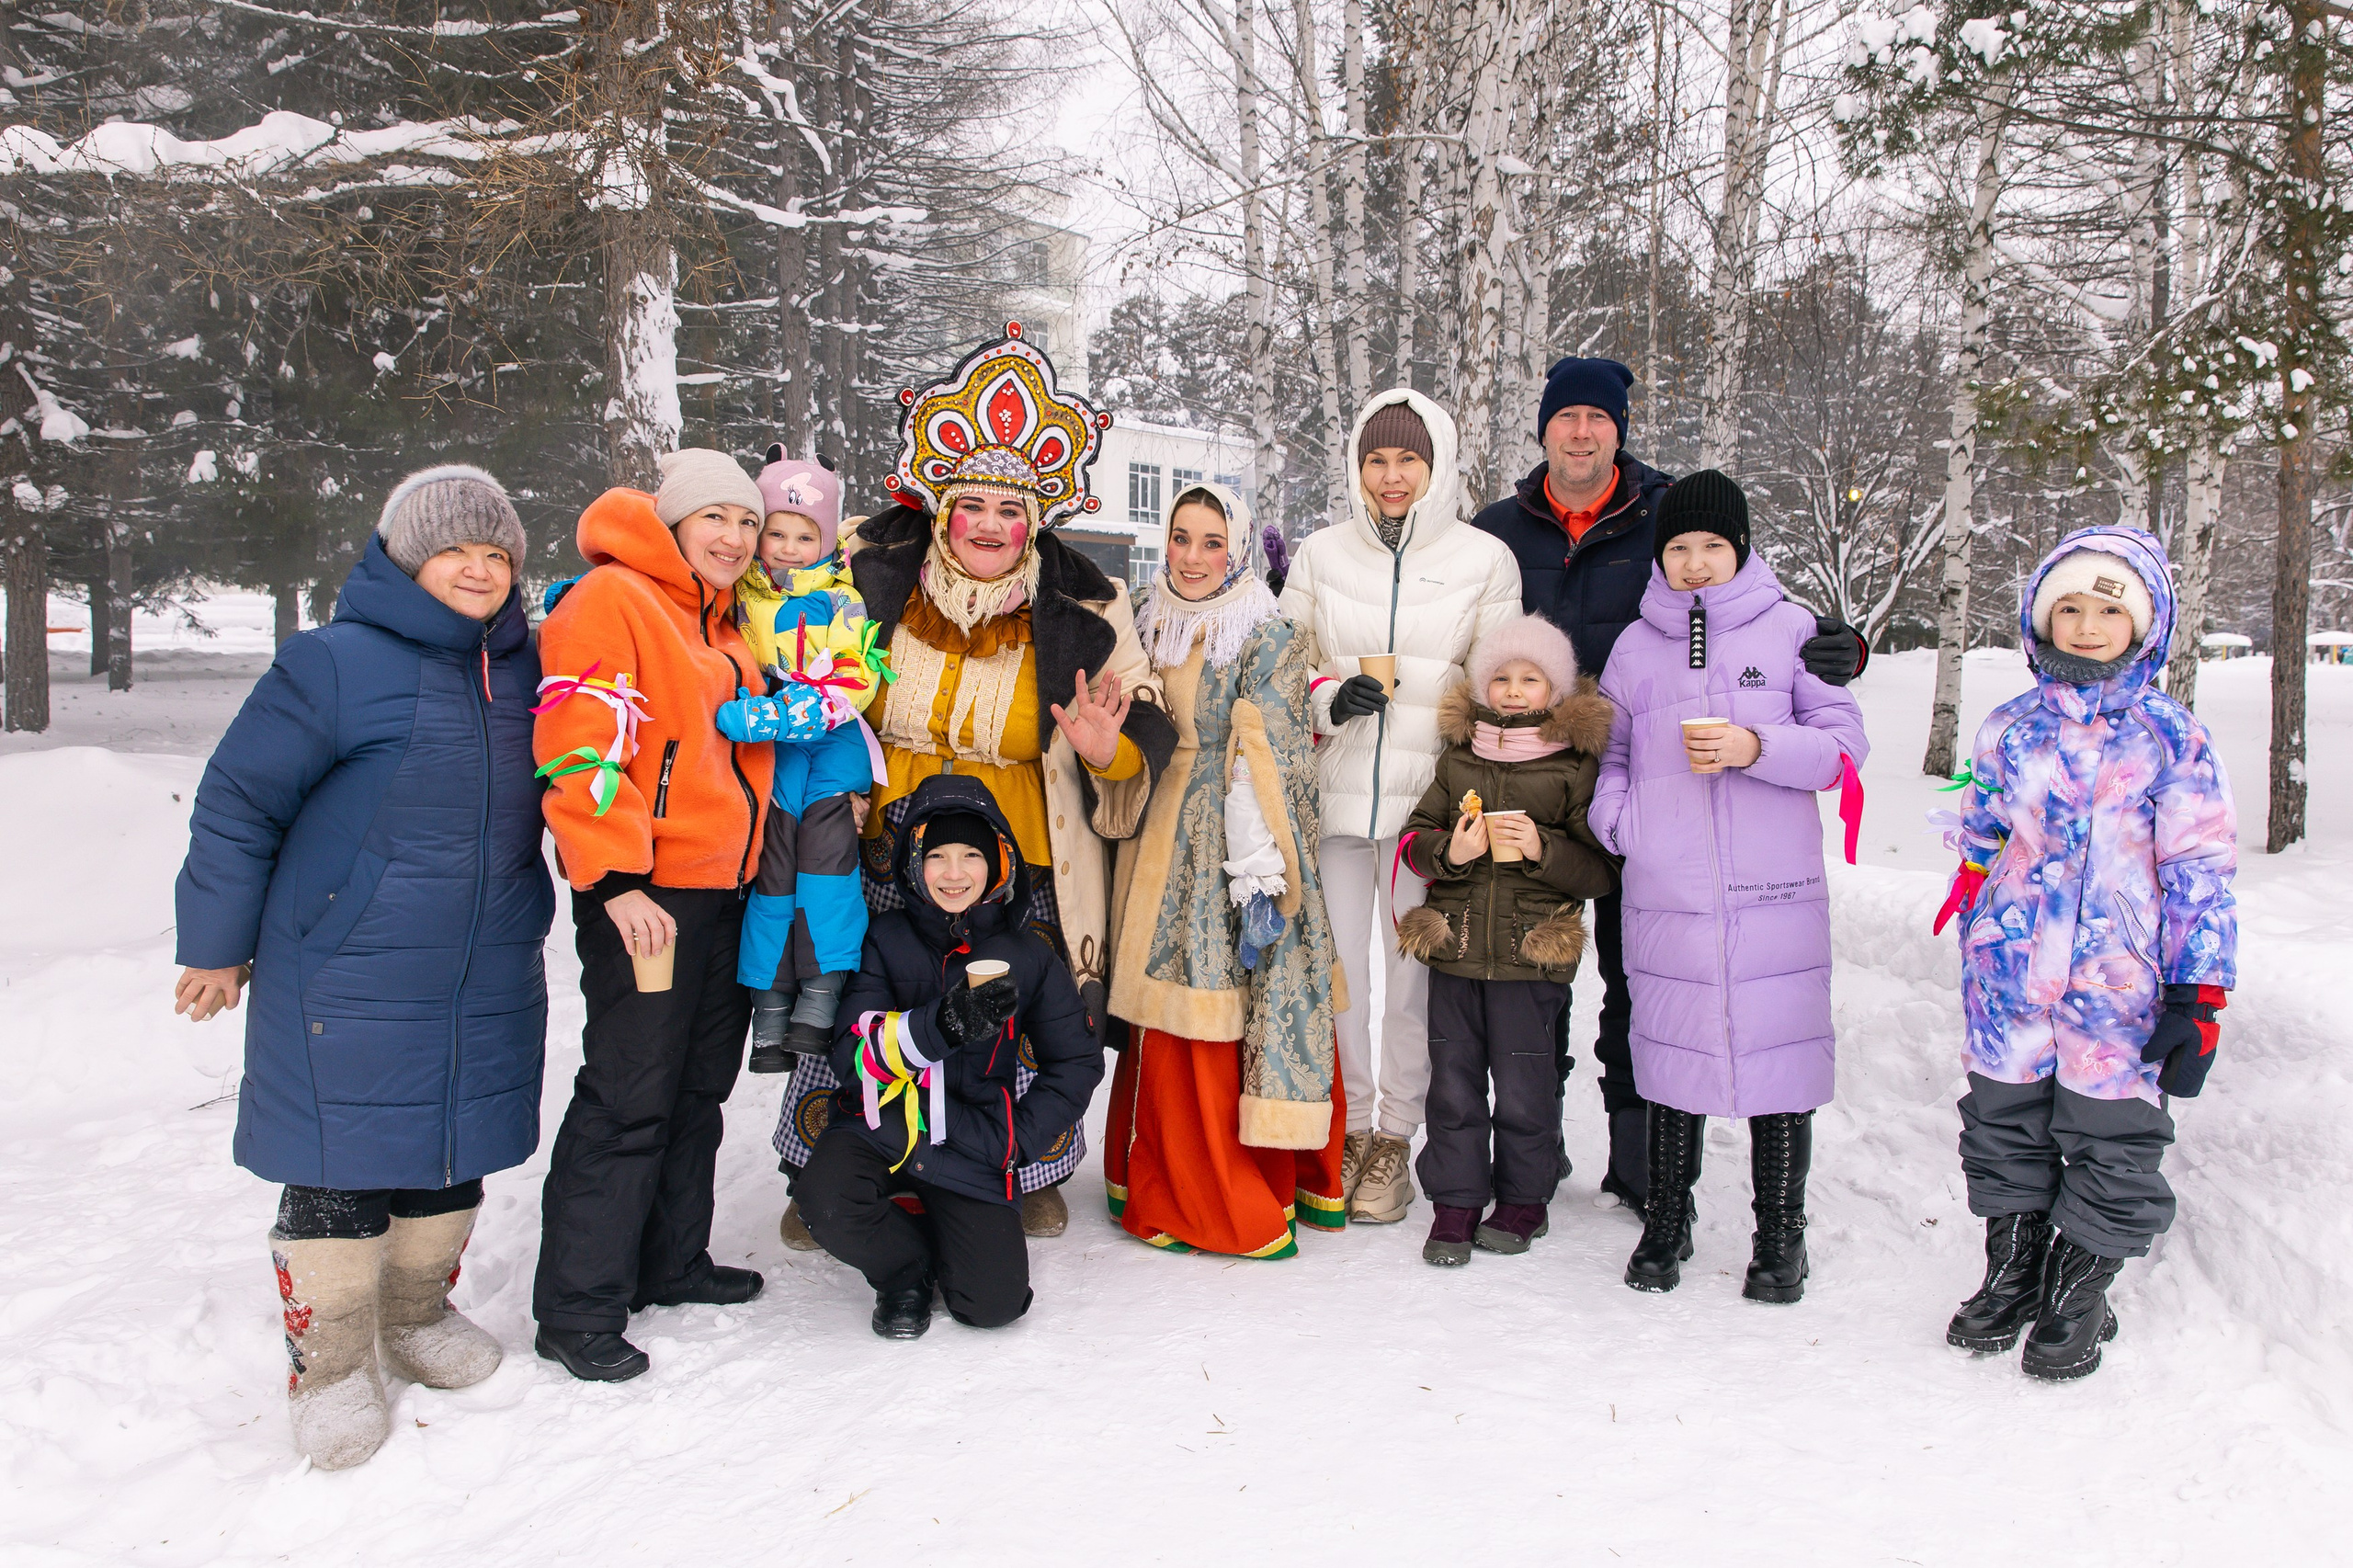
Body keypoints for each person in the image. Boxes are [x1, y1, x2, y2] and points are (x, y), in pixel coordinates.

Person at [172, 465, 552, 1469]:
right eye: (454, 551)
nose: (478, 568)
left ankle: (417, 1314)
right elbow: (239, 802)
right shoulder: (332, 663)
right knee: (342, 1162)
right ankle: (332, 1362)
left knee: (449, 1146)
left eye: (495, 552)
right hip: (348, 957)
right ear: (403, 559)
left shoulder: (528, 665)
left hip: (485, 956)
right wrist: (216, 944)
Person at [771, 324, 1175, 1244]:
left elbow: (1138, 723)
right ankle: (832, 1164)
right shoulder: (867, 576)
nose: (991, 525)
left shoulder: (1087, 605)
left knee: (1012, 1013)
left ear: (1035, 520)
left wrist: (1106, 746)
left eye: (1010, 509)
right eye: (973, 504)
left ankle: (1019, 1168)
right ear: (942, 509)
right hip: (880, 840)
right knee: (863, 999)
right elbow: (791, 651)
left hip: (1019, 852)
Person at [1469, 358, 1869, 1213]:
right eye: (1566, 417)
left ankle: (1644, 1169)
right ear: (1543, 431)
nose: (1582, 431)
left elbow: (1755, 621)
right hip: (1531, 783)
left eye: (1599, 418)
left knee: (1637, 978)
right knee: (1528, 981)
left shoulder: (1665, 511)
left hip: (1652, 792)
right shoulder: (1499, 528)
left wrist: (1843, 650)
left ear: (1620, 429)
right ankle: (1529, 1169)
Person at [1936, 526, 2235, 1381]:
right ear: (2043, 619)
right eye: (2068, 606)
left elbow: (2201, 871)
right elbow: (1985, 831)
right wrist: (1977, 902)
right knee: (2002, 1123)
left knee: (2112, 1136)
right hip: (2008, 975)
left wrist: (2199, 994)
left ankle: (2076, 1294)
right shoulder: (2009, 725)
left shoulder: (2171, 736)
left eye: (2110, 607)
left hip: (2119, 983)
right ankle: (2013, 1272)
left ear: (2144, 624)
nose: (2088, 623)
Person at [1587, 471, 1868, 1302]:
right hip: (1667, 888)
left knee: (1779, 1060)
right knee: (1674, 1059)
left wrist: (1756, 747)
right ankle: (1667, 1222)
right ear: (1660, 556)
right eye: (1680, 548)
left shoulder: (1791, 631)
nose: (1697, 564)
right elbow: (1611, 753)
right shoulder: (1636, 647)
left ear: (1740, 549)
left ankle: (1782, 1238)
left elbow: (1842, 750)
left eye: (1713, 546)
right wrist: (1620, 824)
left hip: (1770, 888)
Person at [529, 449, 777, 1383]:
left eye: (747, 522)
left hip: (722, 888)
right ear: (672, 521)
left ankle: (669, 1260)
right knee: (630, 1090)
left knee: (695, 1087)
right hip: (647, 893)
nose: (734, 537)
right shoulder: (612, 599)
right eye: (715, 517)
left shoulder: (720, 620)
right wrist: (611, 881)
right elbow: (577, 744)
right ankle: (578, 1305)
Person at [1278, 388, 1520, 1226]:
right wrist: (1324, 698)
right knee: (1338, 976)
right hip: (1338, 805)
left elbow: (1504, 688)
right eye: (1376, 459)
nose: (1391, 476)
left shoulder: (1483, 559)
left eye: (1408, 459)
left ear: (1437, 464)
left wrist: (1470, 782)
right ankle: (1345, 1129)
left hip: (1427, 817)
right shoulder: (1320, 554)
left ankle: (1394, 1139)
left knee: (1411, 984)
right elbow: (1283, 662)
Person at [1101, 480, 1347, 1257]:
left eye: (1213, 542)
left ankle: (1215, 1190)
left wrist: (1254, 866)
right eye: (1181, 538)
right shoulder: (1144, 616)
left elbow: (1264, 749)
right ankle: (1149, 1166)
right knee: (1158, 1004)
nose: (1194, 556)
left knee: (1206, 1001)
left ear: (1239, 548)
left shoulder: (1265, 632)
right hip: (1148, 830)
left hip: (1222, 844)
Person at [797, 775, 1105, 1337]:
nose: (954, 873)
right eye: (937, 855)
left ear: (999, 863)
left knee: (993, 1306)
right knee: (826, 1201)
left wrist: (1017, 1138)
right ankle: (903, 1273)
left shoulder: (1028, 954)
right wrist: (941, 1026)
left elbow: (1077, 1063)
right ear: (915, 862)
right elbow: (851, 1057)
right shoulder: (885, 938)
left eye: (971, 855)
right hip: (884, 1124)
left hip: (976, 1136)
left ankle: (944, 1229)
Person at [1396, 613, 1618, 1265]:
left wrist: (1543, 849)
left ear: (1556, 691)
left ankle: (1524, 1199)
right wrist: (1449, 851)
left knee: (1526, 1086)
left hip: (1530, 958)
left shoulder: (1575, 767)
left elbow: (1601, 870)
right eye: (1501, 677)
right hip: (1457, 950)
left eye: (1530, 679)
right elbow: (1414, 842)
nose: (1514, 691)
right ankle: (1457, 1201)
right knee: (1454, 1085)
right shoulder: (1459, 758)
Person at [727, 448, 882, 1073]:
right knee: (773, 871)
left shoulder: (843, 599)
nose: (789, 547)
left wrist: (785, 714)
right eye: (776, 532)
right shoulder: (739, 592)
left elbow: (857, 674)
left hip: (831, 746)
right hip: (771, 759)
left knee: (827, 870)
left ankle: (820, 996)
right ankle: (769, 1005)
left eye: (805, 534)